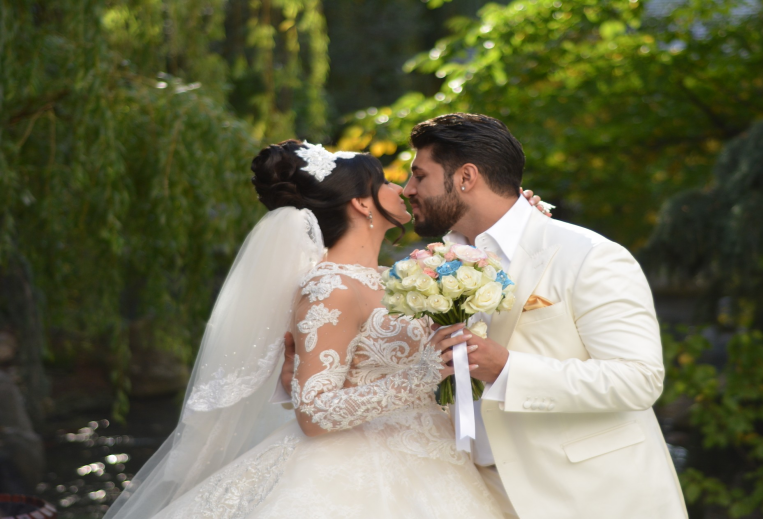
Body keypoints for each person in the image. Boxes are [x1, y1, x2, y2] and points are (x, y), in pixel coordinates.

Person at [104, 141, 509, 518]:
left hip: (436, 452)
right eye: (385, 181)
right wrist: (422, 375)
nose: (400, 189)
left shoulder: (397, 279)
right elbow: (313, 413)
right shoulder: (330, 287)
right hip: (359, 470)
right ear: (360, 203)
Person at [402, 113, 688, 518]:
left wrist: (507, 369)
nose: (407, 189)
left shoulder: (589, 255)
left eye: (419, 176)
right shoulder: (431, 268)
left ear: (466, 177)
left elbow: (638, 379)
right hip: (473, 494)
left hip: (589, 497)